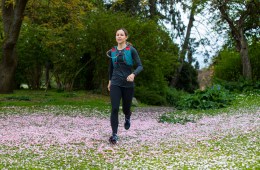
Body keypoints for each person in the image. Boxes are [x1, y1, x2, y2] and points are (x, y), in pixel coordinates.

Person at [107, 28, 143, 144]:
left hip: (128, 84)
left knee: (126, 108)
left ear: (126, 37)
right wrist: (109, 81)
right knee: (115, 108)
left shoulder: (131, 50)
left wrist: (133, 74)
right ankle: (114, 134)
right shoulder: (113, 51)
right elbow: (111, 68)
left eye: (121, 35)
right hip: (115, 83)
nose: (119, 36)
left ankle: (127, 116)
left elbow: (140, 66)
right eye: (117, 35)